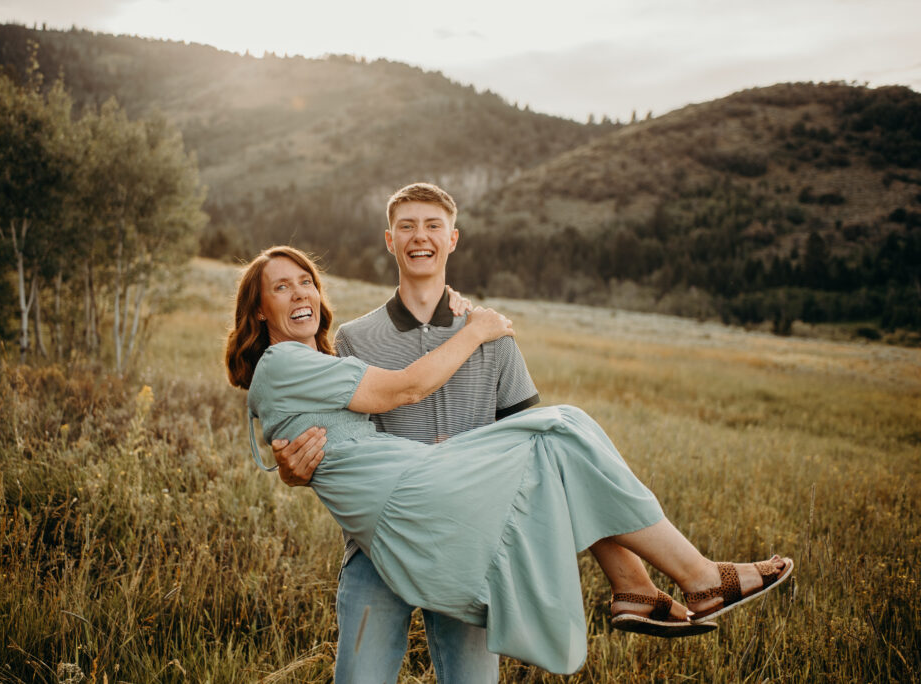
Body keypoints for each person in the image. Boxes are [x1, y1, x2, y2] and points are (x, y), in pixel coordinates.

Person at [224, 245, 794, 676]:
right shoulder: (319, 351)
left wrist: (300, 467)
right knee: (564, 431)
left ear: (451, 239)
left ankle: (638, 587)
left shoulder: (315, 359)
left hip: (442, 500)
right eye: (282, 287)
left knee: (562, 437)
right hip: (405, 504)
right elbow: (401, 391)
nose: (300, 293)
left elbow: (314, 447)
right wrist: (476, 331)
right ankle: (689, 578)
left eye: (307, 282)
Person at [269, 183, 700, 683]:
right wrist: (291, 470)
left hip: (470, 545)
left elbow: (543, 454)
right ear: (390, 241)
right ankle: (662, 581)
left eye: (433, 226)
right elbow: (335, 442)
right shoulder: (353, 338)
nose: (420, 237)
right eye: (406, 226)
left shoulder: (491, 334)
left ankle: (642, 585)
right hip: (377, 549)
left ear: (453, 238)